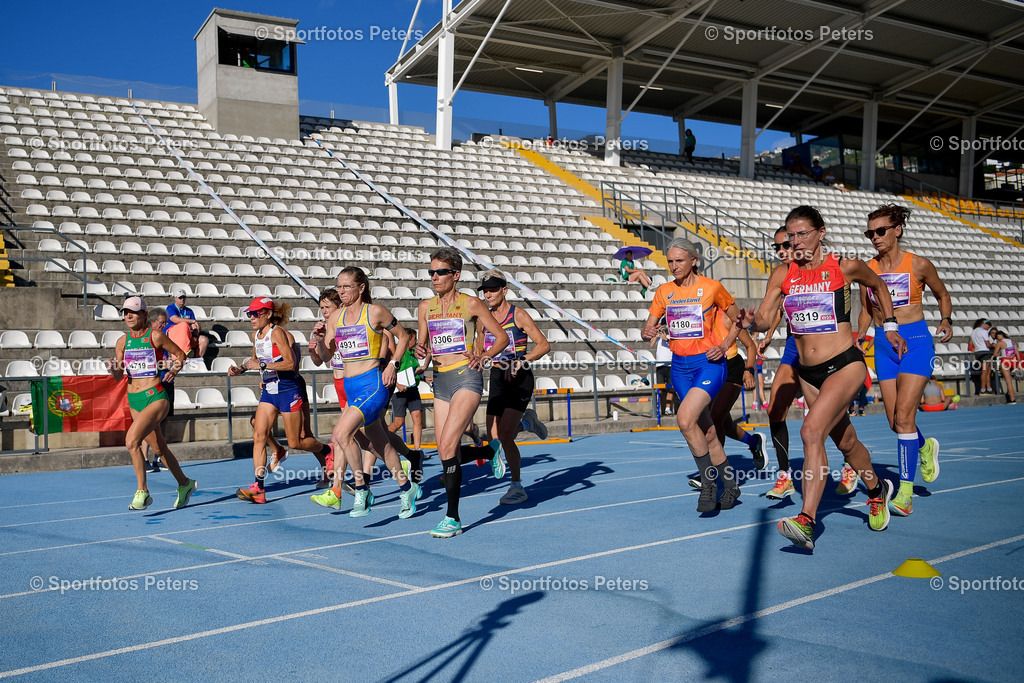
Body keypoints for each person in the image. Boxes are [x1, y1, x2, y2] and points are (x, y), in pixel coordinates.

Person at [738, 205, 906, 550]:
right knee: (844, 442)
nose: (796, 241)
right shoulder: (782, 275)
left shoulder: (844, 266)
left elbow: (879, 286)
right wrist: (749, 323)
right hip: (808, 373)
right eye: (790, 235)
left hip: (845, 364)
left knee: (811, 431)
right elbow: (765, 319)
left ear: (821, 233)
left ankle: (807, 520)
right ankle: (876, 489)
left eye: (803, 234)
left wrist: (889, 326)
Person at [857, 203, 952, 517]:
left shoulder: (919, 264)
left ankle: (905, 494)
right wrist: (859, 336)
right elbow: (866, 311)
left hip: (915, 343)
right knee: (894, 422)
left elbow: (942, 293)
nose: (875, 237)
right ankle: (924, 446)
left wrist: (946, 319)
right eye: (870, 232)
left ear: (897, 230)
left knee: (904, 418)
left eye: (881, 231)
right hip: (883, 345)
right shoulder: (867, 269)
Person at [641, 238, 744, 514]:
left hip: (709, 365)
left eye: (679, 261)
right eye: (670, 261)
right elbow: (647, 328)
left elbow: (739, 320)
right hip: (680, 368)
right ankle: (731, 486)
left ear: (693, 260)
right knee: (709, 433)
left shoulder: (712, 288)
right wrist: (648, 332)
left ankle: (709, 485)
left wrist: (723, 346)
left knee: (685, 419)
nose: (674, 266)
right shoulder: (664, 292)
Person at [416, 248, 510, 537]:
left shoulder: (471, 304)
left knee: (445, 447)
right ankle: (488, 449)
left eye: (440, 272)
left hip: (466, 377)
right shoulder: (424, 307)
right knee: (448, 449)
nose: (434, 277)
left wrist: (484, 356)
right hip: (440, 380)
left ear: (455, 275)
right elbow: (423, 348)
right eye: (431, 272)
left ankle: (453, 517)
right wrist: (420, 352)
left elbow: (503, 337)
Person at [310, 268, 419, 518]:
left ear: (361, 288)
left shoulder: (376, 312)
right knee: (377, 443)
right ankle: (406, 487)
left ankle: (361, 488)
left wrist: (393, 364)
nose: (341, 291)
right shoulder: (335, 317)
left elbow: (402, 337)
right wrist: (319, 341)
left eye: (347, 286)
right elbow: (327, 357)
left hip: (373, 384)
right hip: (351, 386)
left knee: (341, 434)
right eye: (339, 286)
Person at [454, 271, 551, 505]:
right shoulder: (483, 319)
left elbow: (544, 345)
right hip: (498, 375)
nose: (488, 295)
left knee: (506, 436)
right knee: (494, 439)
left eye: (493, 290)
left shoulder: (518, 315)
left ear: (504, 290)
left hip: (519, 375)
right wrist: (475, 358)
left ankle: (517, 486)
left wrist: (524, 359)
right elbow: (480, 347)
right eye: (485, 291)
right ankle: (527, 423)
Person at [229, 297, 332, 504]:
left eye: (255, 313)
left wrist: (264, 367)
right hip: (270, 390)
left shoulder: (278, 333)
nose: (251, 317)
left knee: (298, 440)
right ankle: (259, 487)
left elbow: (291, 364)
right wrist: (241, 368)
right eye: (249, 314)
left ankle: (328, 451)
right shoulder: (256, 335)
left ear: (267, 313)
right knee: (259, 433)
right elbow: (257, 361)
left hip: (289, 389)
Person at [108, 297, 197, 511]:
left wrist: (174, 371)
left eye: (133, 312)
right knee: (159, 449)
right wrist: (113, 369)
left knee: (131, 441)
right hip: (135, 400)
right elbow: (119, 376)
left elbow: (180, 355)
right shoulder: (122, 341)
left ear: (144, 315)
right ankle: (185, 484)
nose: (128, 315)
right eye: (125, 312)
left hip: (156, 396)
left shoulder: (155, 336)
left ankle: (143, 492)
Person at [388, 327, 426, 451]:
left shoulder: (412, 355)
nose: (416, 341)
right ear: (408, 339)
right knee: (399, 421)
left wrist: (425, 378)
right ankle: (383, 440)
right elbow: (392, 369)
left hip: (412, 389)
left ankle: (417, 450)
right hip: (399, 391)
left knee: (418, 417)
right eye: (414, 338)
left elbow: (414, 372)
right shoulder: (400, 354)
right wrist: (398, 384)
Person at [145, 307, 172, 473]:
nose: (164, 325)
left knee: (164, 419)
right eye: (162, 323)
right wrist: (162, 365)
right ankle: (144, 459)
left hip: (165, 381)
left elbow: (176, 356)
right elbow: (143, 363)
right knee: (146, 422)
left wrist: (173, 369)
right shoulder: (145, 338)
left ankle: (159, 458)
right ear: (153, 322)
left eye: (165, 322)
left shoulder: (164, 337)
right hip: (150, 385)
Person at [166, 289, 209, 361]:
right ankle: (184, 353)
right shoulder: (170, 308)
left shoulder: (189, 311)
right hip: (174, 335)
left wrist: (195, 334)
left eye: (184, 297)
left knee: (204, 340)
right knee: (184, 325)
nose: (182, 299)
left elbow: (194, 325)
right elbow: (175, 319)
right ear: (175, 298)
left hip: (187, 335)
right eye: (180, 298)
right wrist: (192, 321)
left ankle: (196, 360)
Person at [651, 324, 678, 415]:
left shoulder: (671, 337)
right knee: (660, 388)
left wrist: (666, 338)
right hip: (660, 365)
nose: (664, 330)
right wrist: (656, 335)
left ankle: (668, 408)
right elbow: (651, 345)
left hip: (670, 364)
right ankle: (659, 408)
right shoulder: (658, 338)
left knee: (670, 388)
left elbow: (674, 346)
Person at [991, 329, 1018, 403]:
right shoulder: (1012, 341)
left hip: (1005, 360)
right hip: (1013, 360)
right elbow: (1017, 353)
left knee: (1008, 381)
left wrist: (1000, 355)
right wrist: (1018, 363)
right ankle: (1011, 396)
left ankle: (1012, 399)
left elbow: (995, 354)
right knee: (1010, 380)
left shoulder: (1000, 343)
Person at [970, 319, 994, 394]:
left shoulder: (973, 332)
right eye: (988, 327)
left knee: (986, 370)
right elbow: (988, 344)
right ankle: (983, 389)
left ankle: (988, 388)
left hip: (978, 352)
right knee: (985, 371)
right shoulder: (984, 331)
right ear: (984, 324)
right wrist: (994, 345)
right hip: (985, 352)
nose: (988, 329)